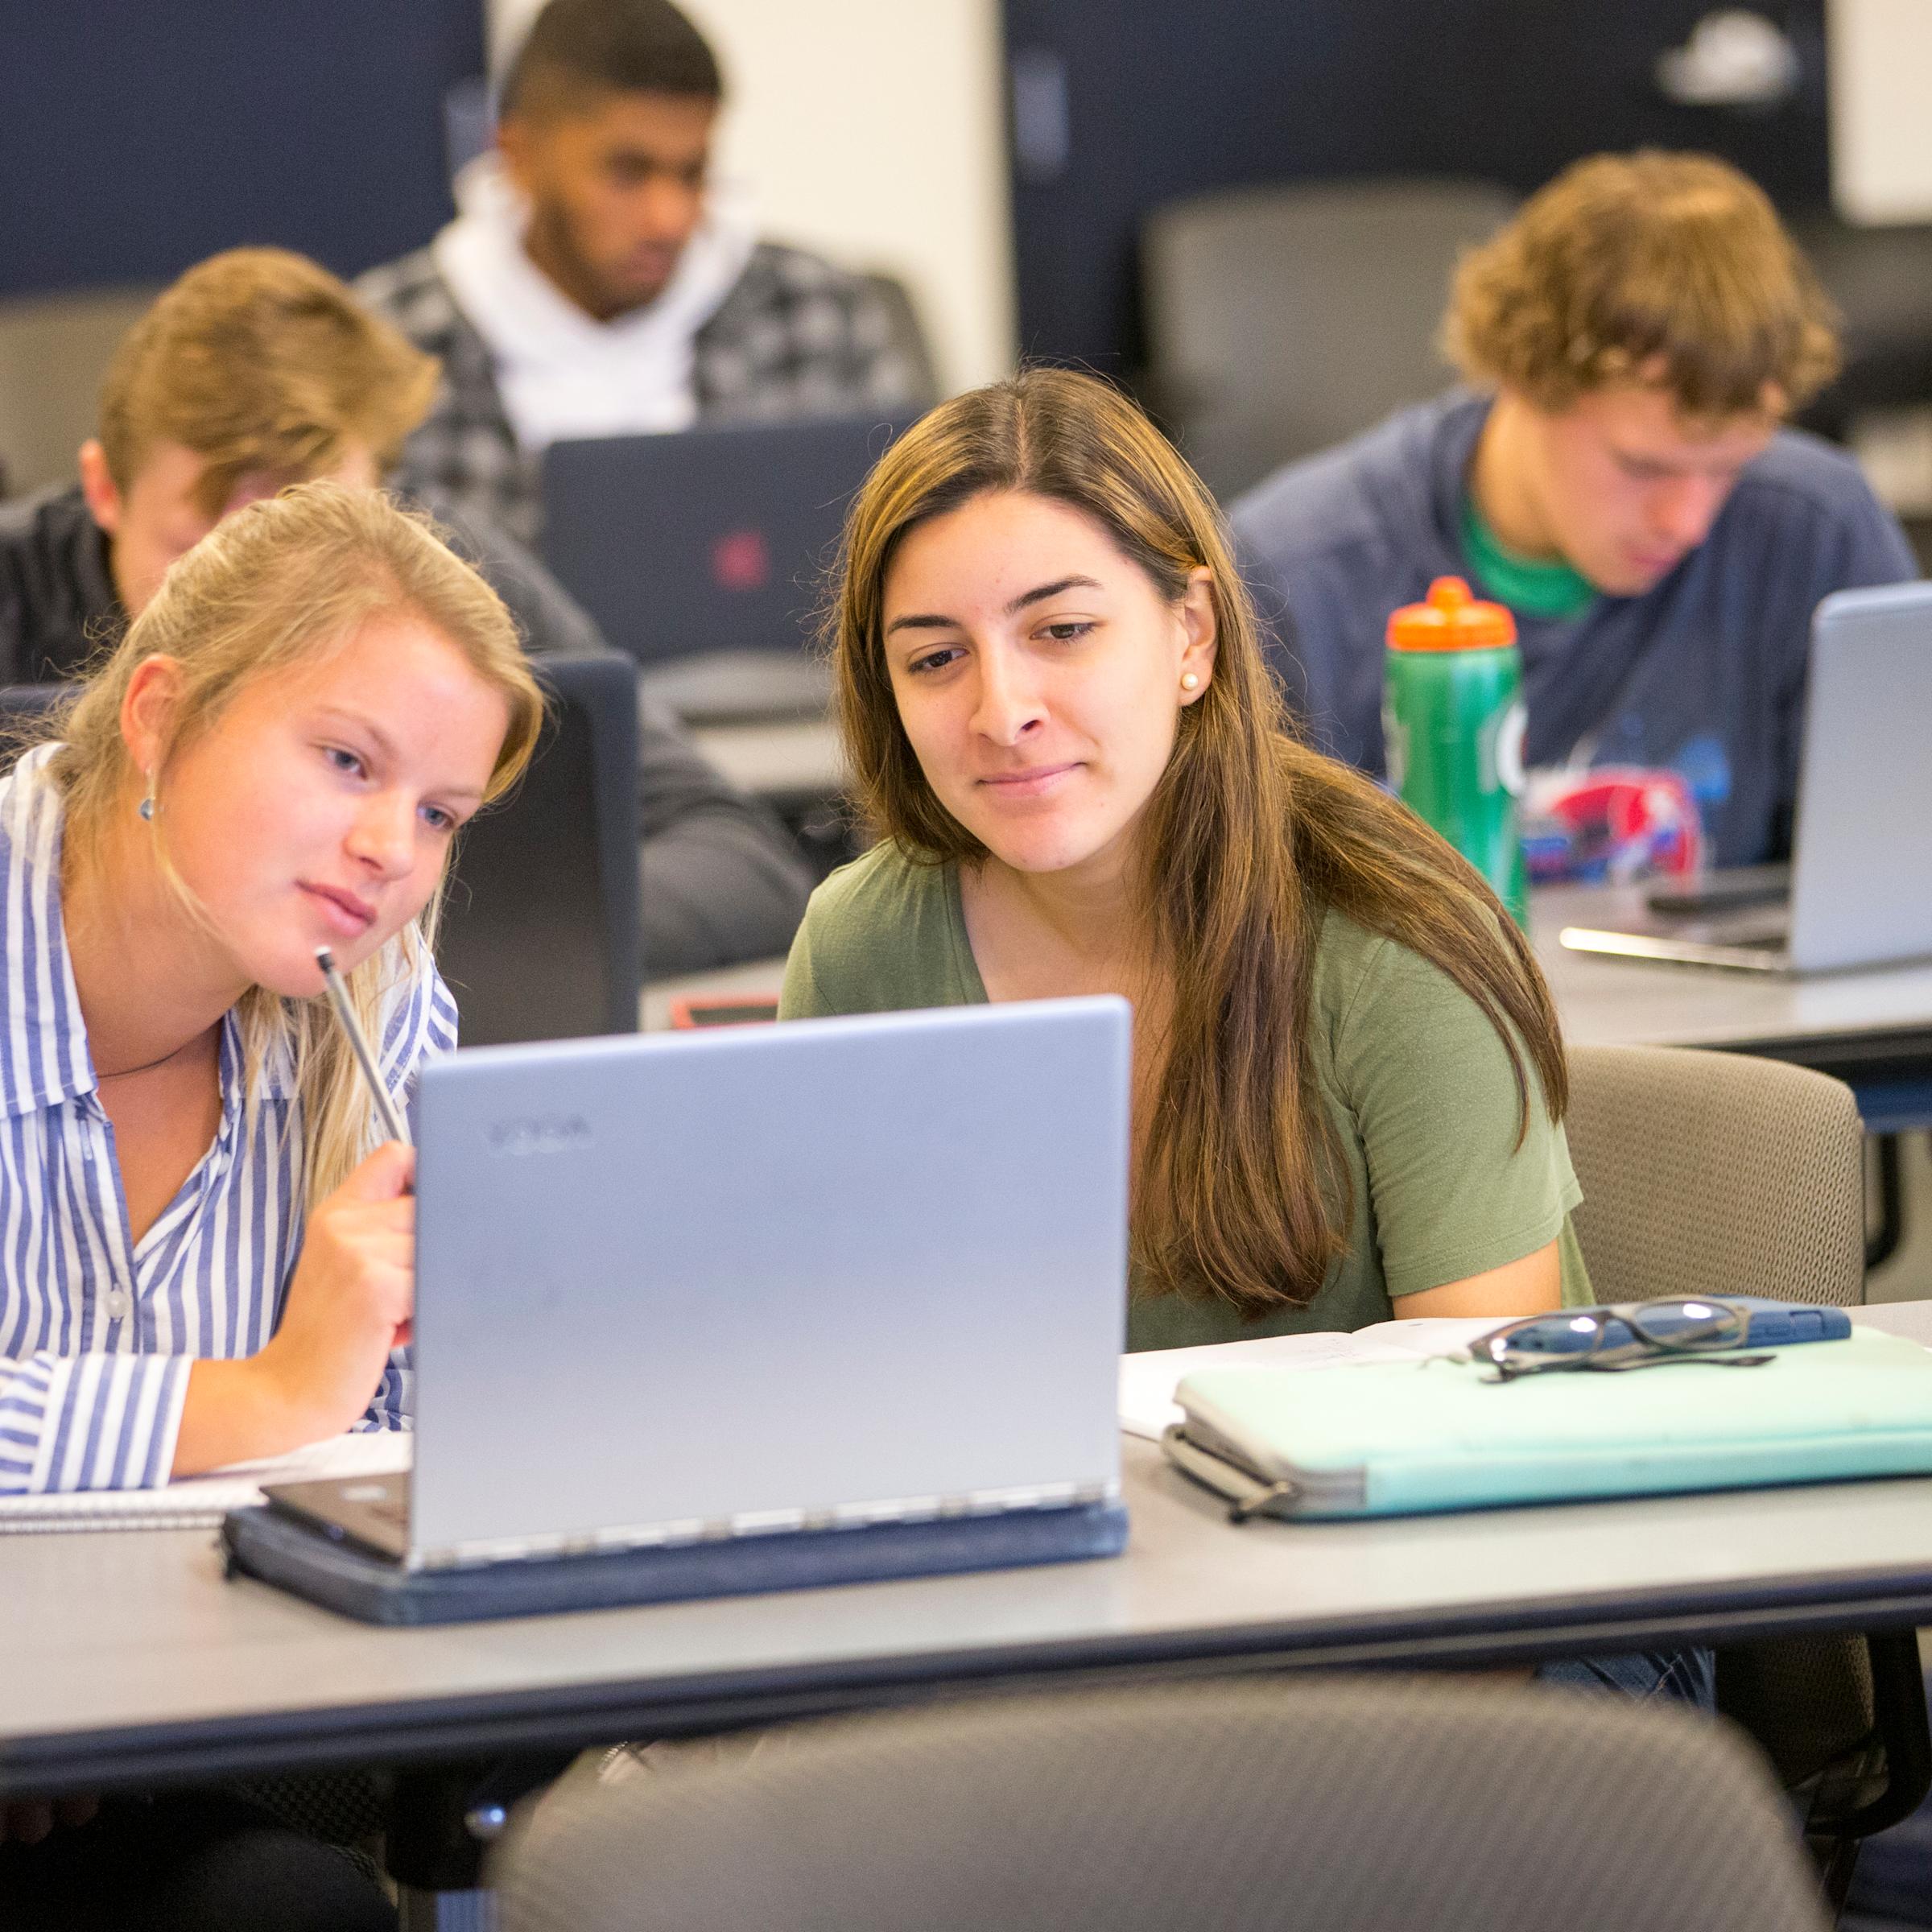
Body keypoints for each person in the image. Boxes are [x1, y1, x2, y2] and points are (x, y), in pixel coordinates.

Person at [781, 365, 1710, 1708]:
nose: (999, 709)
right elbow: (836, 1411)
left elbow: (1490, 1513)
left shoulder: (1395, 938)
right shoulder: (866, 946)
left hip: (1469, 1633)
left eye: (1062, 631)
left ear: (1193, 636)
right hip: (1082, 1637)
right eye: (934, 657)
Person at [0, 482, 543, 1926]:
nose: (390, 852)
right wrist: (272, 1389)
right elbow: (311, 1404)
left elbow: (408, 1428)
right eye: (347, 761)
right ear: (162, 717)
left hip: (180, 1723)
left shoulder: (370, 989)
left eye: (437, 812)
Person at [0, 246, 811, 977]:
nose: (253, 604)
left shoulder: (444, 589)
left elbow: (738, 856)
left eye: (314, 553)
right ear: (104, 489)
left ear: (382, 499)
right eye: (200, 545)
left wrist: (367, 925)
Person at [1230, 151, 1918, 873]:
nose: (1687, 522)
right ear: (1523, 376)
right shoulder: (1288, 577)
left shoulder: (1819, 532)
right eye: (1642, 466)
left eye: (1727, 469)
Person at [357, 0, 939, 542]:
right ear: (518, 156)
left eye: (692, 174)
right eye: (627, 173)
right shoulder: (382, 348)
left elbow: (914, 547)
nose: (670, 219)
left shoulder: (815, 310)